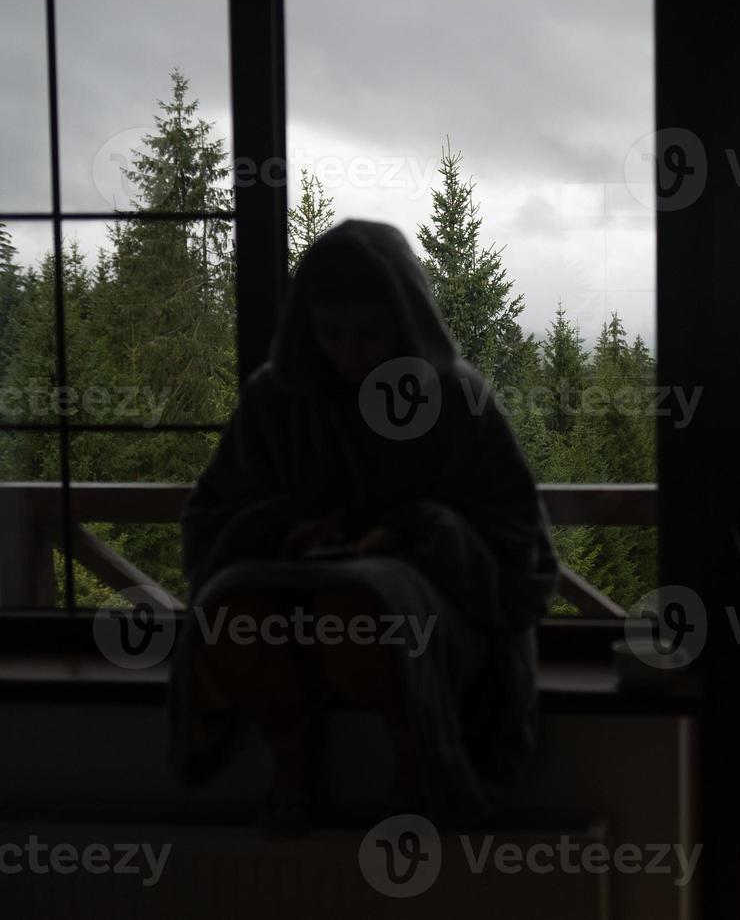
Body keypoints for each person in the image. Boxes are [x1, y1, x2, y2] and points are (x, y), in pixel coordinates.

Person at [167, 219, 558, 833]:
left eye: (370, 333)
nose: (350, 352)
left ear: (403, 320)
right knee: (228, 618)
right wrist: (284, 528)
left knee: (353, 610)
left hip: (424, 616)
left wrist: (409, 535)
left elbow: (521, 553)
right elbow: (210, 522)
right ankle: (293, 750)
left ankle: (415, 754)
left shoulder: (457, 400)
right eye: (331, 332)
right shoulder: (276, 400)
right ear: (307, 324)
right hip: (287, 606)